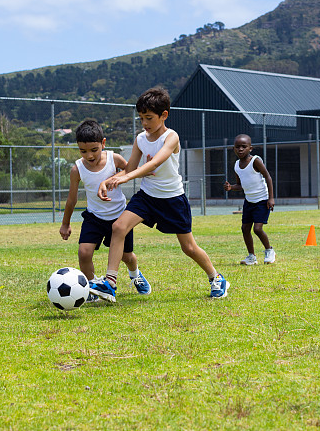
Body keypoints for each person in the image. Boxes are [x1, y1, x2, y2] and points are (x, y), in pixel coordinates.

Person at [88, 87, 229, 302]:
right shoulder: (140, 139)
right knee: (118, 227)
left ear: (164, 115)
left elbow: (155, 162)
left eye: (149, 118)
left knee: (189, 248)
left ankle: (216, 278)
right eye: (141, 118)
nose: (144, 123)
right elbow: (129, 168)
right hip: (147, 197)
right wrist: (107, 181)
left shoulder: (171, 137)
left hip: (173, 200)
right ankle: (110, 282)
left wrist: (126, 178)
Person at [59, 120, 151, 302]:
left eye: (94, 150)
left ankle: (135, 275)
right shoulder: (77, 169)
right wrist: (65, 223)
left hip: (119, 218)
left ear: (103, 143)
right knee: (84, 253)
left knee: (126, 256)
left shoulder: (113, 159)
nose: (89, 155)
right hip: (94, 217)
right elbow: (71, 199)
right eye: (83, 151)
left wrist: (117, 178)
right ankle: (92, 288)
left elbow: (129, 170)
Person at [223, 134, 276, 265]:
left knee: (257, 229)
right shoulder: (236, 165)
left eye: (244, 146)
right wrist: (231, 187)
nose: (240, 149)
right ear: (233, 149)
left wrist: (271, 198)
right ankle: (251, 257)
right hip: (249, 201)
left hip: (262, 200)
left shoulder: (255, 161)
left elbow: (268, 177)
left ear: (250, 148)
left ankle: (269, 250)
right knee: (245, 229)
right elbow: (240, 185)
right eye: (237, 147)